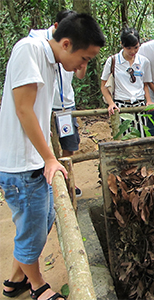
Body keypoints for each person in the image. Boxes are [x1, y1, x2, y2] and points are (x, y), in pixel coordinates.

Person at [0, 13, 104, 300]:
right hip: (21, 164)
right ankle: (37, 285)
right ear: (66, 44)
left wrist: (47, 157)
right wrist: (49, 158)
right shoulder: (28, 50)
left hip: (32, 160)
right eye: (84, 58)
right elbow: (24, 110)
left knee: (41, 220)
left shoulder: (49, 60)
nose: (83, 67)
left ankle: (14, 280)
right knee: (32, 229)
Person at [28, 10, 85, 197]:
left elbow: (79, 76)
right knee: (47, 144)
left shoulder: (74, 49)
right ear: (56, 27)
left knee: (69, 144)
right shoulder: (36, 46)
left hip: (66, 105)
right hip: (48, 106)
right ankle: (51, 182)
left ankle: (68, 180)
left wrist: (83, 62)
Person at [101, 27, 153, 137]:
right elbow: (104, 86)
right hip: (121, 106)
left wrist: (148, 101)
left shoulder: (144, 62)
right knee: (123, 139)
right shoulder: (113, 61)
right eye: (129, 48)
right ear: (122, 45)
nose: (133, 51)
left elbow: (145, 84)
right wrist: (111, 103)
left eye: (136, 47)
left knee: (141, 138)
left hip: (139, 105)